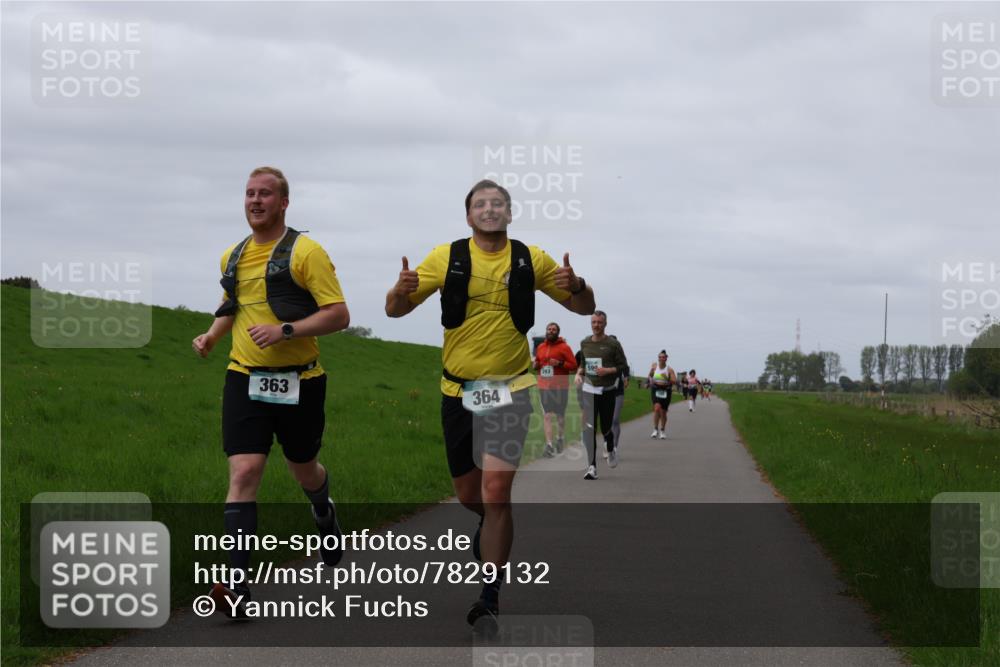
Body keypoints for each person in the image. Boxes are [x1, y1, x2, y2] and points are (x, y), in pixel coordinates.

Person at [385, 178, 595, 633]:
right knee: (470, 495)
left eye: (498, 203)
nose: (490, 209)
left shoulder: (529, 258)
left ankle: (489, 595)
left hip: (512, 387)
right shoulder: (446, 257)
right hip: (457, 391)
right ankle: (490, 523)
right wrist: (400, 290)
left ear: (509, 213)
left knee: (496, 491)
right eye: (480, 204)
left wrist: (578, 284)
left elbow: (582, 307)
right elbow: (394, 312)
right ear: (468, 215)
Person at [192, 166, 351, 618]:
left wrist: (286, 330)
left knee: (304, 470)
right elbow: (233, 306)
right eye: (248, 194)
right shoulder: (233, 256)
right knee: (243, 474)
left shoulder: (307, 252)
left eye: (265, 194)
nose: (255, 200)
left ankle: (323, 510)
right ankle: (238, 589)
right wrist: (211, 336)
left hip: (301, 379)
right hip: (244, 378)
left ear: (284, 203)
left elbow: (339, 315)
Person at [574, 311, 629, 480]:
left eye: (599, 322)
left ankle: (610, 447)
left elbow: (622, 366)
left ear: (605, 324)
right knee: (589, 428)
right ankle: (592, 466)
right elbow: (583, 364)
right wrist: (578, 374)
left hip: (607, 390)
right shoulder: (584, 343)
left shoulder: (613, 344)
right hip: (589, 390)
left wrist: (608, 370)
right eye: (593, 322)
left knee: (606, 426)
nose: (596, 325)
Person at [533, 322, 577, 457]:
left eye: (553, 329)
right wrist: (536, 364)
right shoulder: (540, 347)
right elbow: (538, 362)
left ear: (557, 332)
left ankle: (560, 438)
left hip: (560, 387)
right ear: (546, 331)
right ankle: (549, 446)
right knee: (547, 415)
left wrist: (560, 363)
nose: (551, 331)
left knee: (560, 416)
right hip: (544, 386)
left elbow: (574, 365)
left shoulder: (564, 347)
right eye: (549, 329)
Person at [647, 350, 676, 439]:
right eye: (660, 357)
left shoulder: (669, 369)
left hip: (666, 390)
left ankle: (662, 430)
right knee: (656, 408)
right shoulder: (655, 367)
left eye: (663, 357)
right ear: (658, 358)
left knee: (663, 412)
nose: (661, 359)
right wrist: (648, 380)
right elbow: (650, 376)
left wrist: (666, 377)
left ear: (666, 358)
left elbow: (674, 381)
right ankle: (655, 429)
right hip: (656, 389)